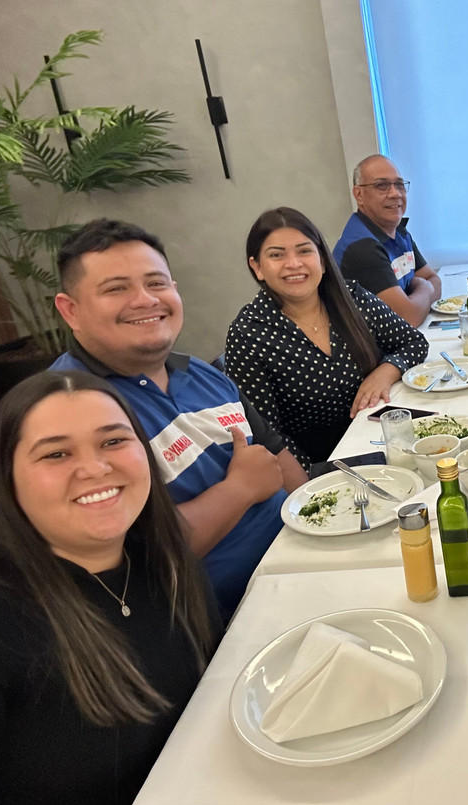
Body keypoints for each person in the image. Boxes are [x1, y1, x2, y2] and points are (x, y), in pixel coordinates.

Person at [0, 370, 221, 805]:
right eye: (56, 454)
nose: (94, 468)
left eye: (113, 441)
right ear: (8, 480)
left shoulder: (159, 556)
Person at [50, 219, 307, 618]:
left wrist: (323, 526)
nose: (145, 300)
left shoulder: (202, 373)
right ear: (71, 310)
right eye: (116, 289)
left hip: (297, 566)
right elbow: (138, 558)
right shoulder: (71, 410)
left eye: (156, 283)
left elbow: (275, 453)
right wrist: (240, 489)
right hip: (223, 621)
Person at [226, 207, 429, 469]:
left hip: (382, 440)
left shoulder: (351, 297)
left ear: (322, 260)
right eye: (276, 255)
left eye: (304, 251)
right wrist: (312, 478)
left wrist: (386, 371)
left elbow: (414, 342)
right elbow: (267, 437)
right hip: (322, 467)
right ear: (257, 267)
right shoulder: (248, 335)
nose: (293, 264)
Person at [332, 154, 442, 326]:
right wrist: (425, 288)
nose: (395, 193)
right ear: (359, 195)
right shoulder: (362, 248)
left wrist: (418, 296)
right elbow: (408, 318)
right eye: (381, 186)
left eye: (399, 185)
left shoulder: (399, 232)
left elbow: (434, 279)